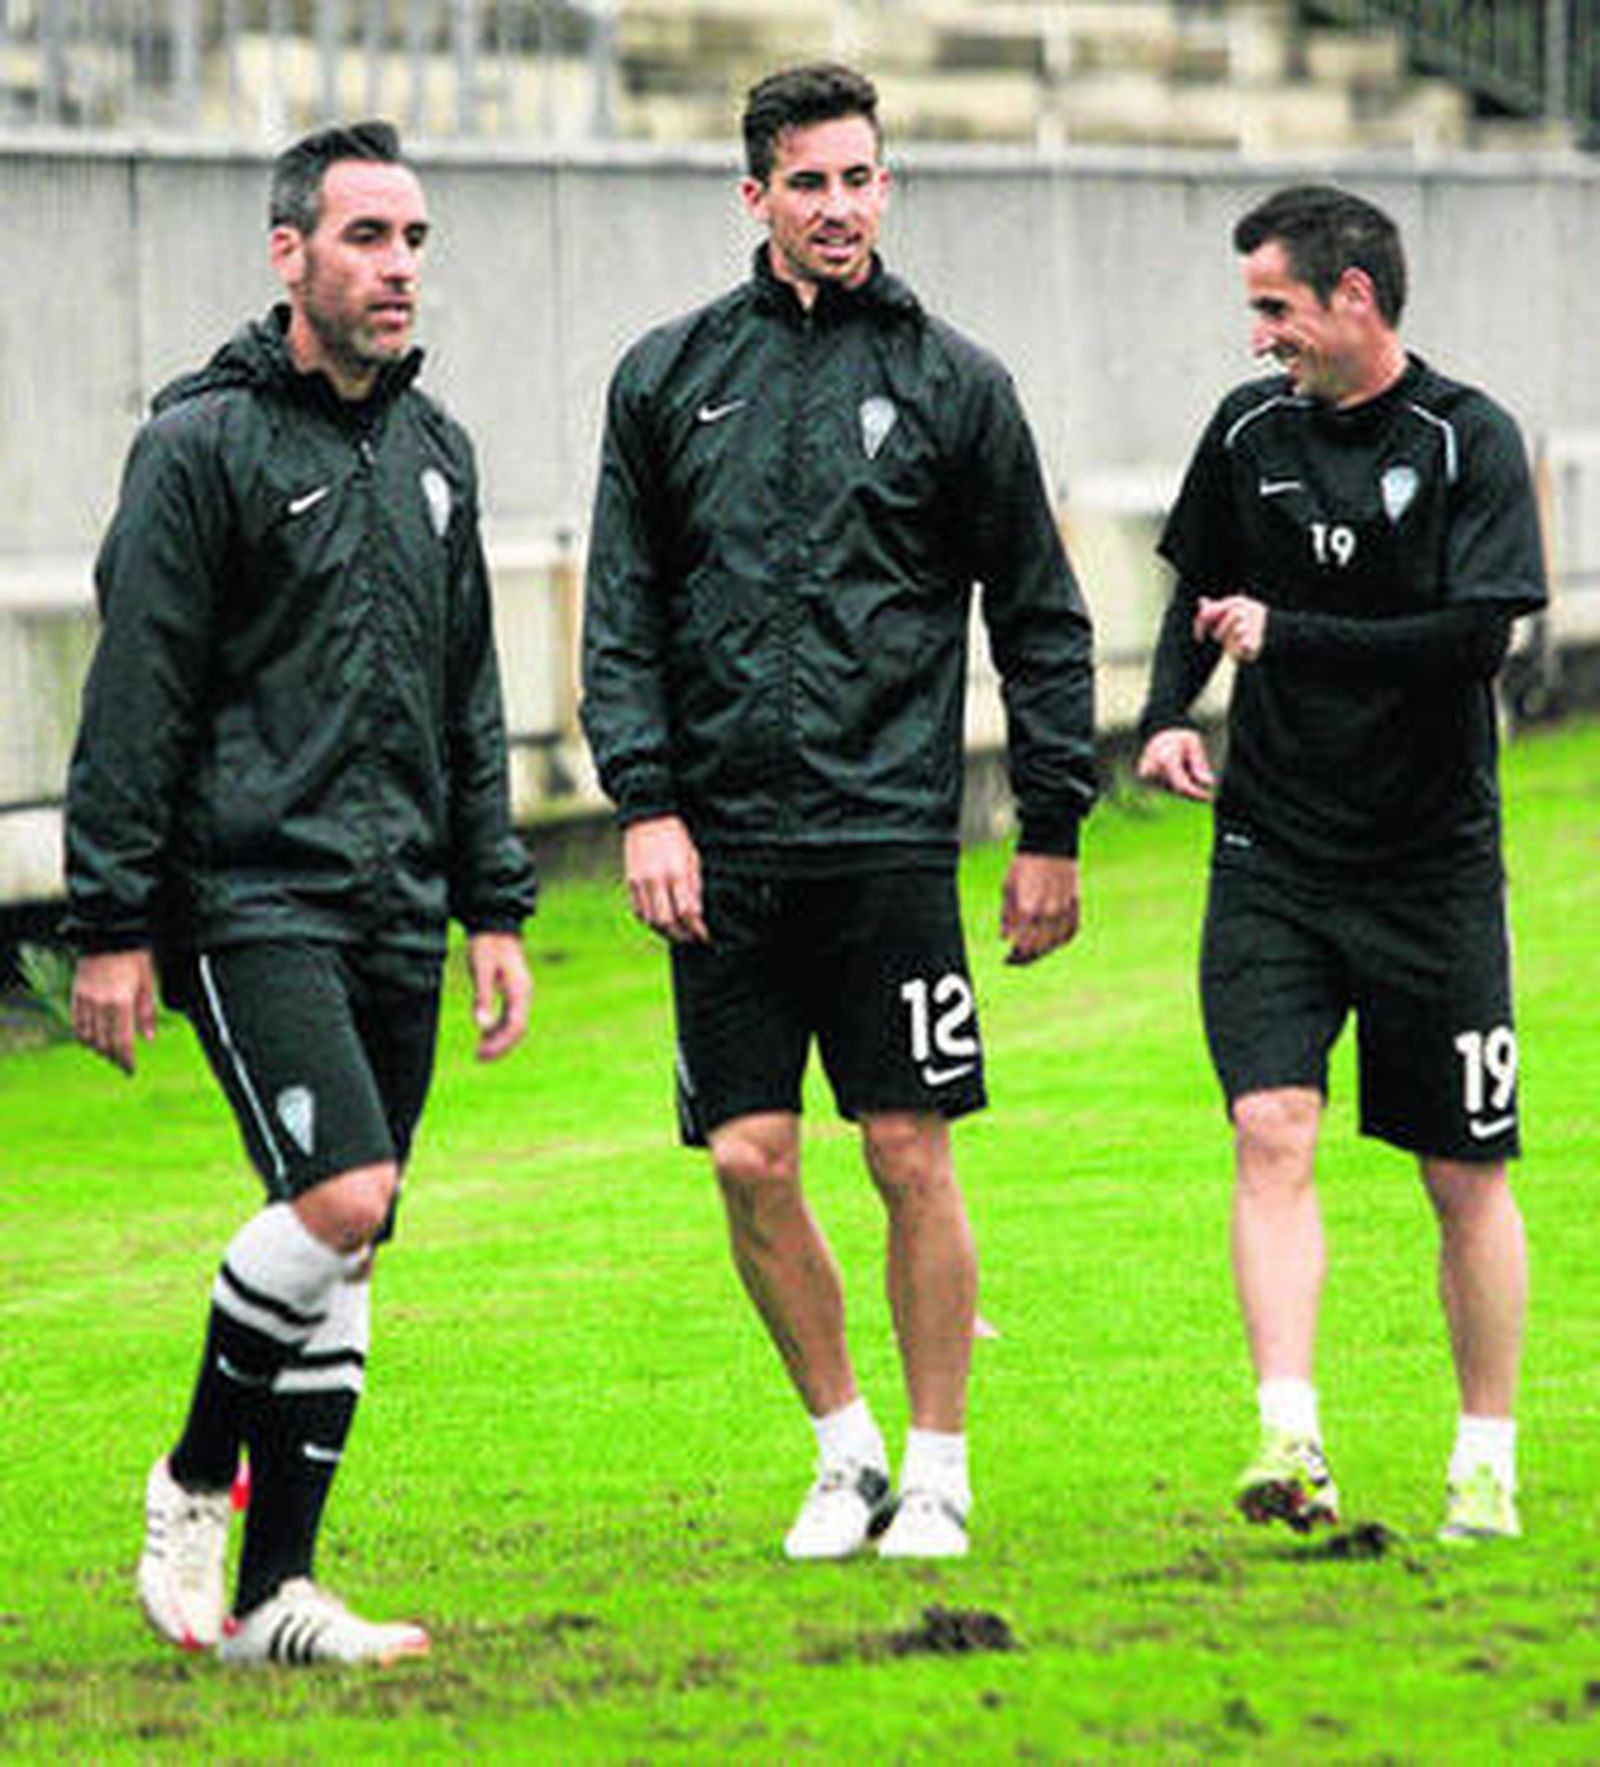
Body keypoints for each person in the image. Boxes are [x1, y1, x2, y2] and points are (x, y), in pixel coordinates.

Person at [581, 63, 1096, 1561]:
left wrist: (1051, 822)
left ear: (889, 186)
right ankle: (845, 1450)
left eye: (860, 178)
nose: (838, 209)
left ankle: (939, 1465)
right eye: (808, 183)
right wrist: (647, 805)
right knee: (748, 1158)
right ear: (756, 198)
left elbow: (1044, 618)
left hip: (885, 840)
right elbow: (624, 613)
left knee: (905, 1153)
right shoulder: (666, 377)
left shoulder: (956, 383)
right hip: (720, 846)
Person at [64, 120, 537, 1664]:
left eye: (413, 242)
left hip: (398, 898)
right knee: (342, 1197)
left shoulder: (435, 452)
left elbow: (470, 697)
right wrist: (112, 924)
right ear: (290, 254)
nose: (398, 268)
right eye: (366, 239)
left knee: (346, 1237)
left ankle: (279, 1597)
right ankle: (196, 1478)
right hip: (248, 897)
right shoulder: (200, 446)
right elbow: (135, 691)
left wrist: (495, 907)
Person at [1136, 185, 1546, 1543]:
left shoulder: (1468, 439)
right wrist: (1160, 720)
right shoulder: (1248, 432)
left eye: (1276, 308)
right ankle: (1289, 1438)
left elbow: (1474, 640)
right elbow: (1199, 596)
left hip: (1432, 864)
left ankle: (1483, 1454)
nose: (1259, 337)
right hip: (1275, 853)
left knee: (1461, 1172)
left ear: (1353, 299)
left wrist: (1287, 634)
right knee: (1271, 1128)